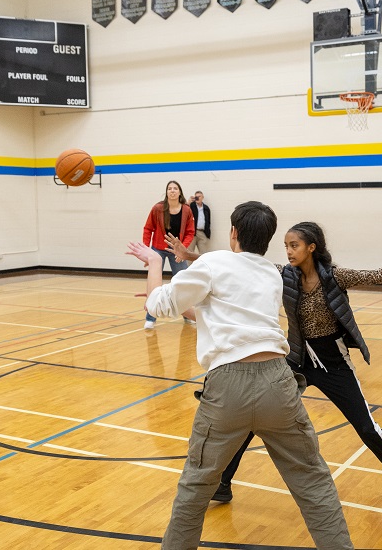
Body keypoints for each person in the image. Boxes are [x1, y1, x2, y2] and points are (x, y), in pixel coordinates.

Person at [127, 202, 354, 550]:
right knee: (313, 481)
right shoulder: (269, 273)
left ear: (233, 233)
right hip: (279, 382)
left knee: (196, 486)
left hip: (229, 385)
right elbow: (218, 312)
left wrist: (156, 263)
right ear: (269, 239)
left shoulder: (214, 262)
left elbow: (158, 305)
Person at [168, 222, 382, 505]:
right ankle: (224, 484)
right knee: (252, 418)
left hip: (334, 364)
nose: (289, 252)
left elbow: (375, 275)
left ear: (311, 247)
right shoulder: (283, 275)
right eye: (286, 246)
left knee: (366, 426)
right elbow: (237, 264)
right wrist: (190, 255)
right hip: (295, 361)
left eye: (295, 246)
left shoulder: (335, 277)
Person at [141, 180, 196, 329]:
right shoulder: (158, 208)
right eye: (169, 188)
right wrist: (146, 251)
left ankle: (187, 314)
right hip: (158, 248)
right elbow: (148, 229)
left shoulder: (186, 210)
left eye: (175, 188)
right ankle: (150, 318)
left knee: (183, 283)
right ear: (166, 192)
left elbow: (191, 232)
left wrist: (182, 250)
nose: (172, 191)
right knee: (155, 285)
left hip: (177, 249)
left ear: (180, 192)